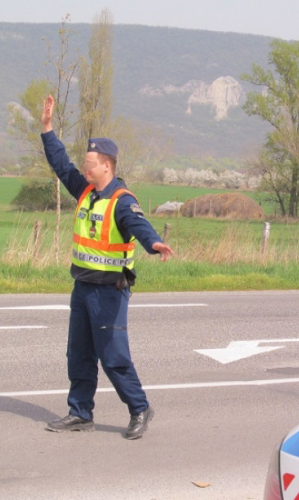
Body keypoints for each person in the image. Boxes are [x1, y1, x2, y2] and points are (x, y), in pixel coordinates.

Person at [40, 94, 174, 439]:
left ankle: (140, 408)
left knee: (113, 357)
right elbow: (60, 165)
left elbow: (139, 226)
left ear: (107, 167)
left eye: (90, 163)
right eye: (84, 163)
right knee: (79, 355)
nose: (84, 168)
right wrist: (47, 129)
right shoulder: (86, 191)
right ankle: (80, 413)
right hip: (82, 287)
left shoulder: (122, 200)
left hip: (110, 291)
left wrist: (154, 243)